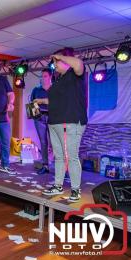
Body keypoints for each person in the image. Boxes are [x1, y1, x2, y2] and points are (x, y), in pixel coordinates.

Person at [35, 47, 87, 202]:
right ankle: (58, 185)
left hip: (70, 122)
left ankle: (75, 190)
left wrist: (59, 56)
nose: (54, 65)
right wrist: (43, 101)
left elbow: (78, 64)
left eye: (56, 62)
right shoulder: (58, 80)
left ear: (65, 60)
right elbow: (57, 101)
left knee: (71, 156)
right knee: (58, 157)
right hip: (55, 122)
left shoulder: (75, 74)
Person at [30, 69, 52, 174]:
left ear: (50, 77)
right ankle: (45, 165)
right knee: (43, 142)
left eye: (45, 76)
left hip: (53, 117)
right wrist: (35, 116)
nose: (43, 78)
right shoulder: (36, 90)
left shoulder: (54, 89)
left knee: (55, 143)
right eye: (41, 76)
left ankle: (61, 167)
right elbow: (32, 104)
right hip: (40, 118)